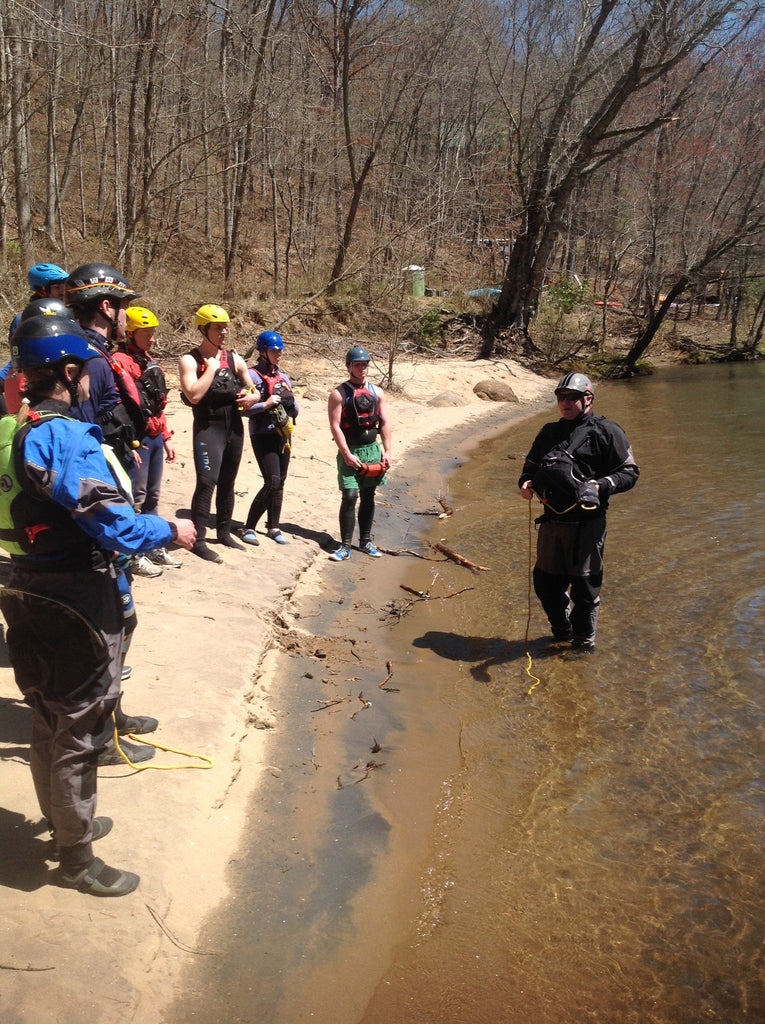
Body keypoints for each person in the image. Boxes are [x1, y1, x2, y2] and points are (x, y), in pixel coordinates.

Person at [0, 315, 196, 896]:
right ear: (66, 373)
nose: (91, 377)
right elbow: (114, 526)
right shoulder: (62, 438)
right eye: (84, 369)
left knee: (47, 715)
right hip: (74, 598)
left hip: (21, 587)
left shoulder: (7, 430)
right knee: (80, 727)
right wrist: (169, 530)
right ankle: (76, 857)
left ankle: (67, 825)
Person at [518, 371, 639, 653]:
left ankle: (583, 646)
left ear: (588, 399)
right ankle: (561, 631)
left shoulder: (608, 431)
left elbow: (630, 473)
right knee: (545, 584)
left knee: (584, 589)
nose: (565, 403)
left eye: (572, 397)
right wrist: (525, 482)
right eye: (561, 397)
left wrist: (602, 485)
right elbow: (530, 467)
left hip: (588, 524)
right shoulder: (548, 432)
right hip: (551, 522)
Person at [179, 304, 259, 563]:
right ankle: (198, 540)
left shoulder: (235, 359)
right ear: (203, 329)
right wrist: (211, 368)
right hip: (207, 429)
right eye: (217, 328)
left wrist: (252, 398)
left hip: (234, 429)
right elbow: (193, 395)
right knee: (206, 482)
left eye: (225, 327)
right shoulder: (190, 360)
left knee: (228, 482)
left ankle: (224, 532)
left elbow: (254, 390)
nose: (223, 332)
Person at [113, 306, 180, 575]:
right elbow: (122, 408)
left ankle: (152, 545)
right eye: (147, 333)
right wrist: (129, 442)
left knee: (152, 494)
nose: (152, 338)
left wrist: (166, 437)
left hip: (153, 437)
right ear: (131, 333)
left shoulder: (148, 360)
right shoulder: (119, 360)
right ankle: (135, 552)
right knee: (135, 497)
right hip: (136, 440)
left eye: (153, 333)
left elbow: (156, 407)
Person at [327, 345, 392, 561]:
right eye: (358, 365)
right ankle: (345, 546)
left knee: (368, 496)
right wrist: (345, 453)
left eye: (365, 364)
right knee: (349, 496)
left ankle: (365, 542)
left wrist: (388, 451)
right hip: (351, 451)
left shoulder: (377, 392)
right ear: (349, 367)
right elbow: (335, 426)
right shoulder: (338, 394)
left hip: (372, 451)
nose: (362, 368)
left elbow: (383, 422)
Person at [240, 331, 298, 546]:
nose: (278, 353)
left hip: (284, 435)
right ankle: (248, 527)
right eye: (274, 350)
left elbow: (296, 409)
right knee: (272, 481)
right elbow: (242, 409)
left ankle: (274, 526)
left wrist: (291, 405)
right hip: (262, 434)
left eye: (280, 350)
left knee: (280, 482)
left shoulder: (283, 377)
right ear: (263, 352)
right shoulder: (252, 376)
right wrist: (265, 404)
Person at [6, 263, 69, 345]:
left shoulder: (70, 313)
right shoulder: (23, 319)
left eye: (64, 287)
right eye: (57, 287)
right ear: (42, 291)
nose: (63, 292)